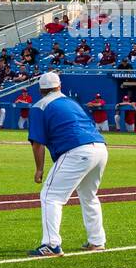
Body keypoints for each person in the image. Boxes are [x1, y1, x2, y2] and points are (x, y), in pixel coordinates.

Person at [26, 72, 109, 257]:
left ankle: (51, 244)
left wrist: (39, 169)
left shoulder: (40, 106)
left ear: (41, 90)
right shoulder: (72, 102)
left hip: (77, 150)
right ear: (59, 87)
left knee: (50, 195)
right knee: (89, 195)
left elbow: (37, 142)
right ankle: (97, 241)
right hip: (100, 148)